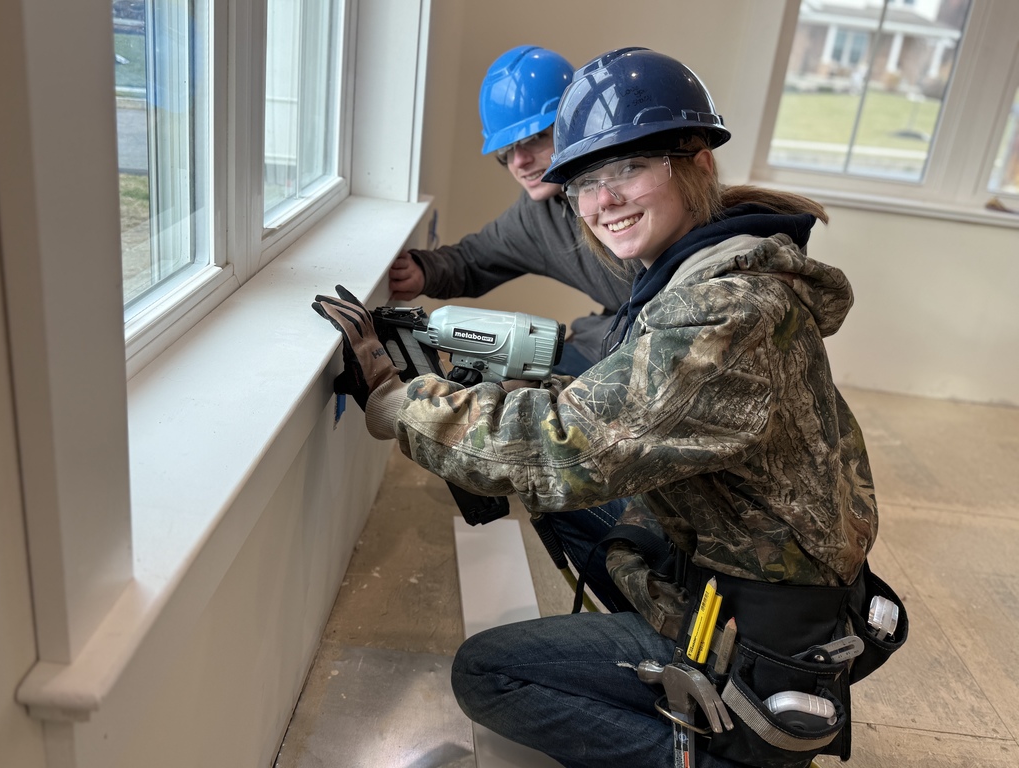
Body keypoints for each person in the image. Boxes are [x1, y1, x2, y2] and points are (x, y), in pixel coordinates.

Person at [315, 47, 906, 768]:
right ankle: (649, 658)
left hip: (756, 625)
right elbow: (595, 420)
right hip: (741, 558)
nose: (604, 201)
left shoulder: (724, 311)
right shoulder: (709, 262)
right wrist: (473, 395)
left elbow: (567, 448)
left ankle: (721, 752)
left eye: (628, 168)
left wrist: (396, 401)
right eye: (586, 181)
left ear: (697, 163)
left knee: (487, 672)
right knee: (566, 503)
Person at [388, 44, 632, 377]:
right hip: (611, 335)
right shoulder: (538, 216)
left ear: (574, 123)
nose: (519, 161)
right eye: (507, 149)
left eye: (535, 138)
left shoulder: (633, 190)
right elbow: (473, 258)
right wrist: (423, 271)